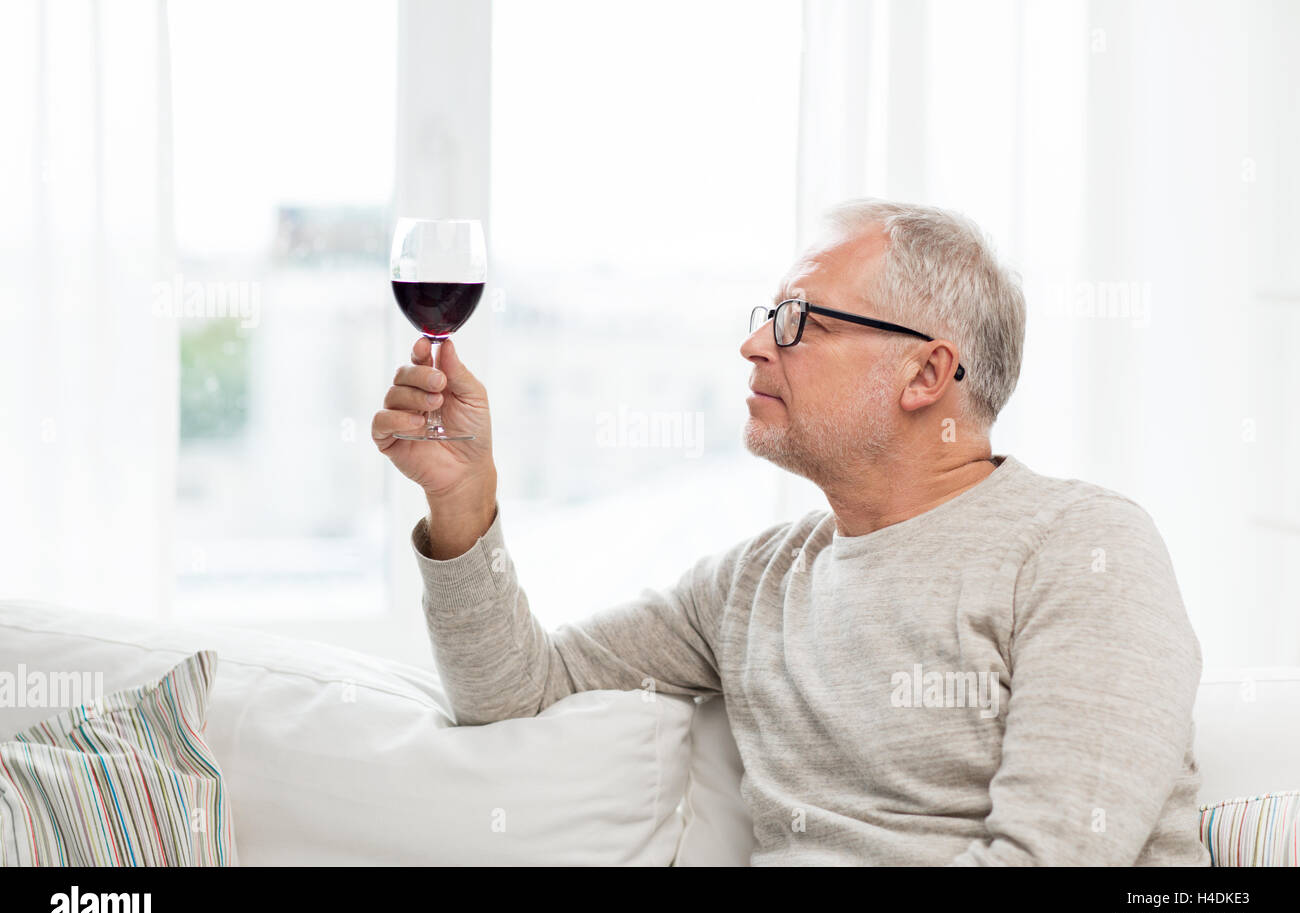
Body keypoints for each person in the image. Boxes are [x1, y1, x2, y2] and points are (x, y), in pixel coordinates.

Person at [371, 198, 1209, 866]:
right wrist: (462, 495)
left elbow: (1053, 857)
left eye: (799, 320)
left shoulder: (1083, 550)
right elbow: (517, 697)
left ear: (926, 372)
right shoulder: (757, 583)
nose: (752, 345)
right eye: (766, 314)